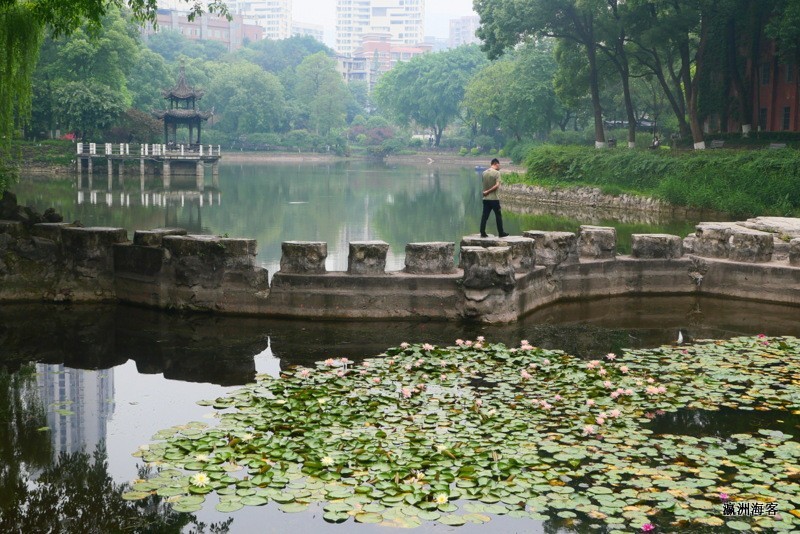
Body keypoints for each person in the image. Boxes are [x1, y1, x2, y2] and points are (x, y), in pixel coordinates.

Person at [480, 158, 509, 238]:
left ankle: (482, 232)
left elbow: (484, 184)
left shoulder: (484, 172)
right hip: (494, 199)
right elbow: (497, 186)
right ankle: (501, 233)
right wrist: (488, 191)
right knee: (498, 216)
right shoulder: (497, 173)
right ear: (496, 163)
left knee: (484, 216)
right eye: (499, 164)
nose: (499, 166)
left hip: (485, 199)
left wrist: (485, 192)